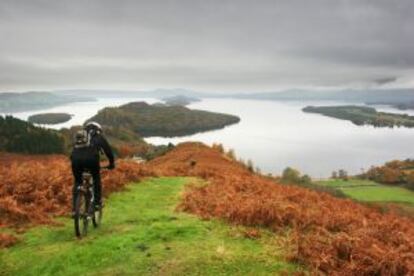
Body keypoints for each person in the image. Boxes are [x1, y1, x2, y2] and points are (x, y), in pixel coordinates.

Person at [70, 121, 115, 214]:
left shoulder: (80, 137)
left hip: (76, 161)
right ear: (98, 129)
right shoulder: (99, 137)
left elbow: (73, 152)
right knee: (96, 178)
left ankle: (75, 209)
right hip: (92, 161)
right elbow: (108, 151)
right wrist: (111, 163)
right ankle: (97, 203)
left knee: (78, 182)